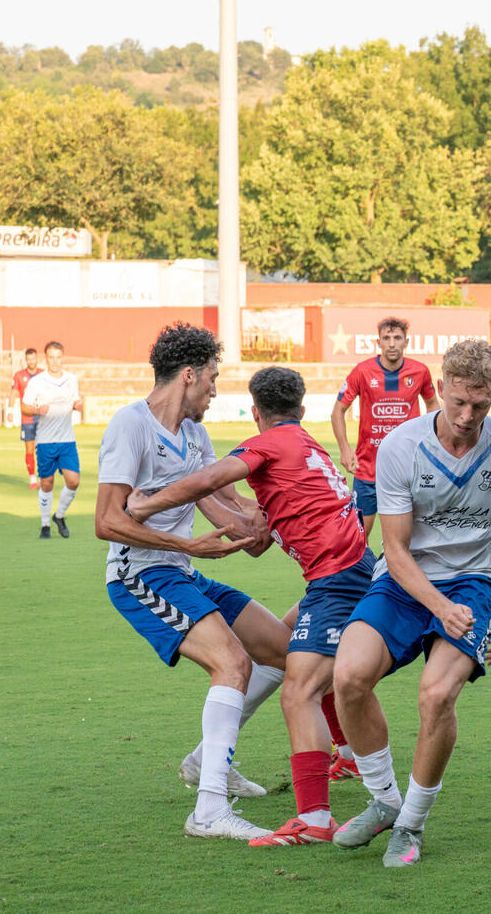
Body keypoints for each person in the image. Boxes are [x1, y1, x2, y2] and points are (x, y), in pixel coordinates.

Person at [126, 365, 376, 847]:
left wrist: (144, 506)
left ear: (256, 412)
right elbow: (260, 540)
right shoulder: (307, 445)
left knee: (300, 691)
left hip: (338, 580)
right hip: (351, 570)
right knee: (283, 649)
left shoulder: (267, 445)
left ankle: (319, 816)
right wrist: (253, 523)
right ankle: (221, 759)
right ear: (302, 409)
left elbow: (208, 479)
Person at [330, 339, 491, 868]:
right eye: (458, 401)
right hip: (403, 581)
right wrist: (439, 607)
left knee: (437, 694)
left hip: (471, 584)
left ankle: (411, 825)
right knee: (348, 677)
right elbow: (395, 550)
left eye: (480, 405)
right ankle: (384, 800)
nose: (467, 415)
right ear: (439, 388)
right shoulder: (402, 446)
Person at [93, 321, 292, 841]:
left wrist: (271, 516)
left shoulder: (195, 435)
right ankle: (208, 811)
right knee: (233, 663)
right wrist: (188, 546)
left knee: (284, 652)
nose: (214, 390)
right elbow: (107, 521)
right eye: (212, 378)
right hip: (139, 574)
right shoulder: (130, 426)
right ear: (189, 374)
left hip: (183, 570)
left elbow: (224, 504)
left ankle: (207, 762)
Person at [331, 317, 439, 540]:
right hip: (368, 469)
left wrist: (430, 440)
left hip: (407, 470)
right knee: (358, 539)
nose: (391, 343)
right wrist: (345, 449)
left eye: (397, 338)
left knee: (406, 539)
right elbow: (338, 412)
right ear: (378, 342)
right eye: (386, 338)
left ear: (406, 342)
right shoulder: (362, 371)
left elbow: (432, 404)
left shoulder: (419, 371)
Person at [20, 341, 85, 538]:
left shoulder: (71, 379)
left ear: (62, 358)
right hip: (45, 441)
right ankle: (45, 525)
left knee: (73, 481)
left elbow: (76, 401)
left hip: (67, 440)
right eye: (51, 357)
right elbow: (24, 407)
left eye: (58, 357)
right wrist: (36, 410)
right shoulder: (37, 382)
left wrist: (78, 405)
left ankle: (59, 515)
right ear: (46, 359)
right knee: (47, 483)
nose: (55, 361)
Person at [9, 348, 41, 489]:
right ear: (26, 360)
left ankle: (43, 477)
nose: (31, 361)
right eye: (29, 359)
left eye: (33, 359)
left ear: (37, 359)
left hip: (42, 418)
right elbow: (13, 393)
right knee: (29, 449)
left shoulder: (43, 375)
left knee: (43, 449)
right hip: (27, 419)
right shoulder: (19, 375)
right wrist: (10, 410)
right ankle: (32, 478)